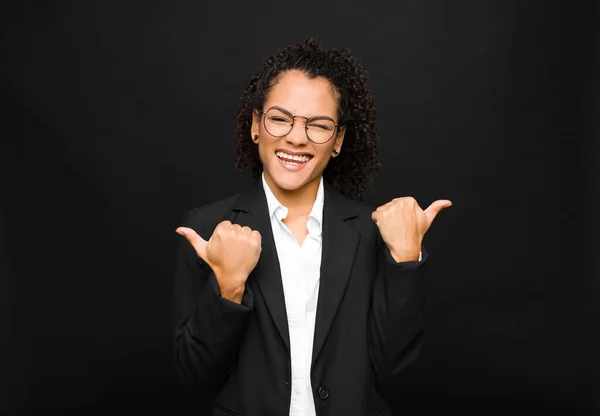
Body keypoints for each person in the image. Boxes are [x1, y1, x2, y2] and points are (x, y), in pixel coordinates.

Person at [172, 38, 451, 416]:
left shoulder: (372, 234)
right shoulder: (207, 228)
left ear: (337, 141)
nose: (296, 137)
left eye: (319, 125)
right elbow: (194, 377)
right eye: (279, 118)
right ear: (256, 125)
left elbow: (394, 376)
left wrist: (405, 260)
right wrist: (229, 288)